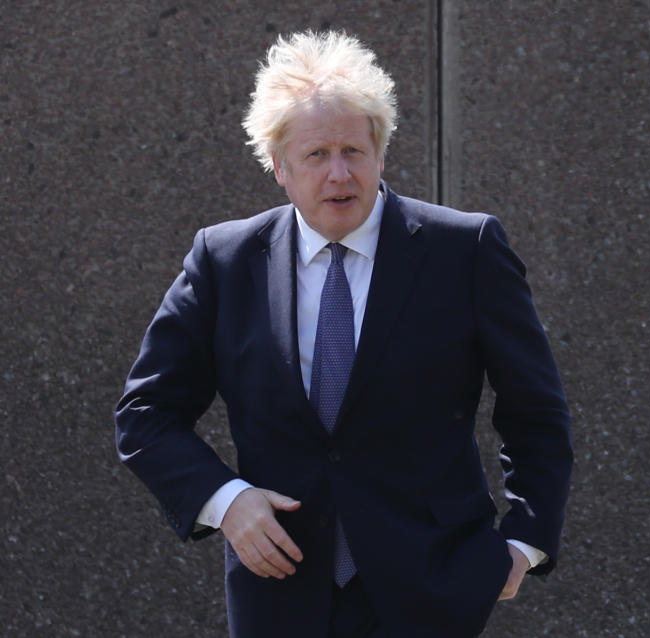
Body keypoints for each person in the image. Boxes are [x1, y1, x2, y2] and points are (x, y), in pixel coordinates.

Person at [115, 30, 572, 638]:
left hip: (434, 590)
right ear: (278, 167)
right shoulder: (225, 261)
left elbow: (535, 410)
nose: (339, 174)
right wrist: (226, 502)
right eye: (317, 155)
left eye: (354, 151)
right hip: (279, 592)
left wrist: (523, 540)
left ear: (380, 154)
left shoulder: (464, 250)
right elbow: (145, 413)